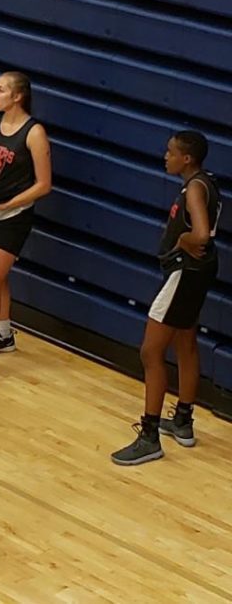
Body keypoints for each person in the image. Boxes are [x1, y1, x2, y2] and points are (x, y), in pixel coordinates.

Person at [111, 131, 221, 466]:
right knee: (185, 342)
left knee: (151, 351)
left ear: (187, 158)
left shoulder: (195, 189)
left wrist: (185, 239)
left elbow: (200, 235)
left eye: (171, 152)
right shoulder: (206, 181)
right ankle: (183, 420)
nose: (165, 157)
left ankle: (149, 437)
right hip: (199, 272)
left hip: (184, 273)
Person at [0, 71, 51, 386]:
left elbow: (44, 184)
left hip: (13, 217)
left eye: (0, 90)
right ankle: (4, 334)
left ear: (18, 96)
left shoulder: (34, 133)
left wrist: (10, 203)